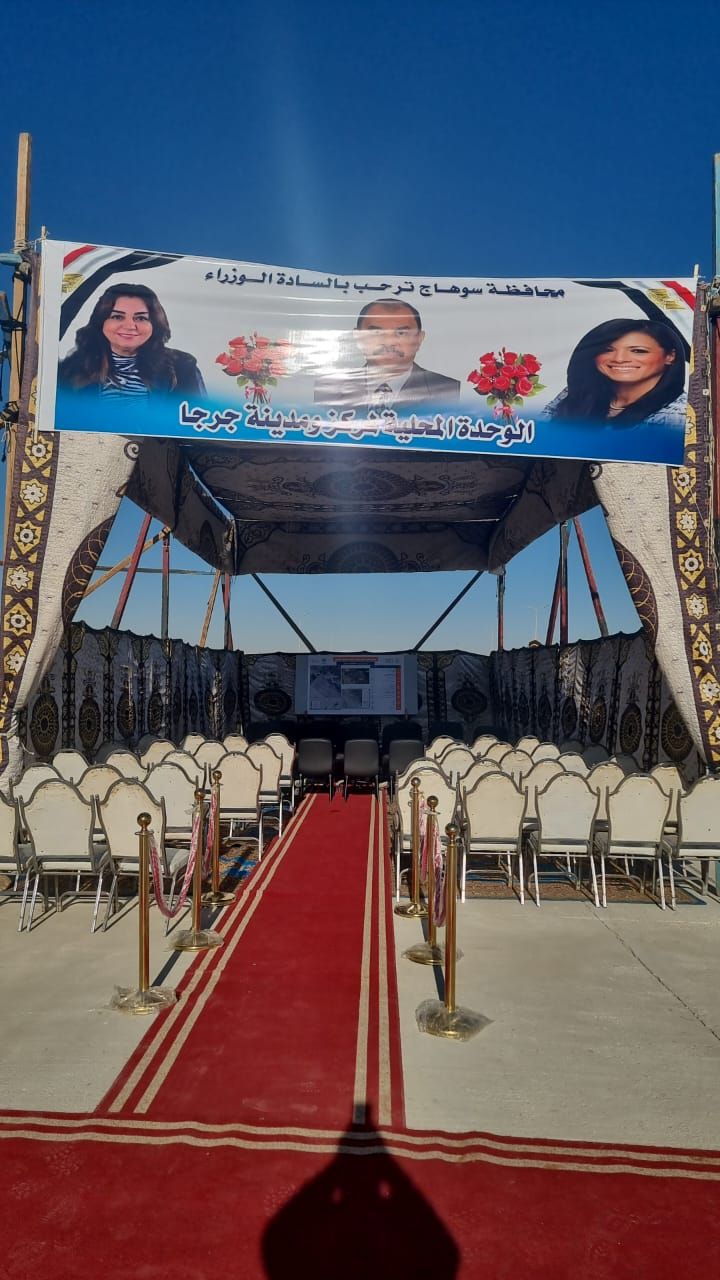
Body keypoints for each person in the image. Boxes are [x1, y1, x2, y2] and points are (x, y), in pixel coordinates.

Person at [58, 283, 205, 398]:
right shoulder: (72, 368)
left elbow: (197, 419)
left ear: (154, 323)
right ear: (101, 321)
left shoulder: (182, 366)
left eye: (140, 318)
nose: (129, 326)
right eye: (117, 317)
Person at [314, 299, 460, 415]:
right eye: (377, 333)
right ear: (358, 337)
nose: (389, 342)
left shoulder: (448, 391)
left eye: (401, 333)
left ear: (419, 339)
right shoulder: (327, 391)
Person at [548, 318, 687, 427]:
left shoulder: (679, 414)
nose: (619, 359)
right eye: (607, 350)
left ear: (670, 356)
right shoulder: (577, 393)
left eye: (638, 351)